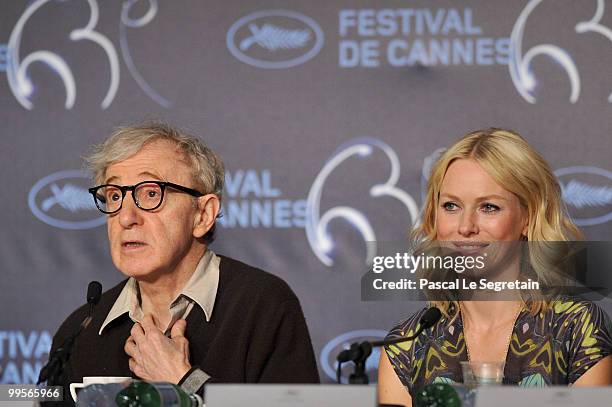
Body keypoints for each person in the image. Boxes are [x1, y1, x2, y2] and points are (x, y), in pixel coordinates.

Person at [47, 122, 319, 404]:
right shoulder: (82, 329)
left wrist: (185, 383)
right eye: (115, 196)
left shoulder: (262, 305)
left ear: (202, 214)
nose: (126, 218)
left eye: (151, 193)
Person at [377, 128, 612, 406]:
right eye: (451, 206)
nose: (465, 227)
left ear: (528, 217)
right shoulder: (407, 345)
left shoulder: (577, 328)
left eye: (488, 207)